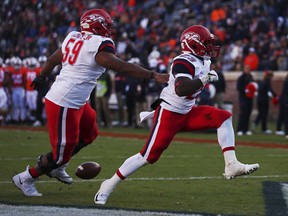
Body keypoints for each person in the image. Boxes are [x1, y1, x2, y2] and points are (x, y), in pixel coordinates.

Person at [94, 25, 260, 205]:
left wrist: (204, 79)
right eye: (206, 43)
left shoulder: (203, 60)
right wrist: (205, 79)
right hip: (169, 113)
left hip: (187, 111)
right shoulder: (183, 61)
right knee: (148, 156)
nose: (210, 47)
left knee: (223, 117)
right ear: (193, 45)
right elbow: (181, 89)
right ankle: (108, 184)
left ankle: (231, 165)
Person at [12, 8, 169, 197]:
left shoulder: (74, 37)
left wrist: (42, 76)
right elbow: (119, 66)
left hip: (78, 101)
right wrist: (152, 75)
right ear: (96, 25)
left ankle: (58, 166)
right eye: (106, 25)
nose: (109, 29)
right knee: (60, 154)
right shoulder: (99, 44)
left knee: (90, 134)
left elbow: (53, 59)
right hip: (64, 102)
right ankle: (26, 178)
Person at [236, 64, 255, 136]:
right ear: (244, 69)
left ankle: (246, 129)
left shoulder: (250, 77)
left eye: (249, 69)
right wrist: (245, 90)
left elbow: (253, 85)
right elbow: (239, 88)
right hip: (243, 98)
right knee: (243, 113)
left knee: (248, 113)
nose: (248, 70)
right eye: (246, 69)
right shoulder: (241, 78)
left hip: (249, 98)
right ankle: (240, 129)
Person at [275, 72, 288, 138]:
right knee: (286, 118)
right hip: (285, 102)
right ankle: (286, 132)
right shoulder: (286, 82)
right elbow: (285, 93)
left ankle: (280, 129)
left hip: (284, 101)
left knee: (282, 116)